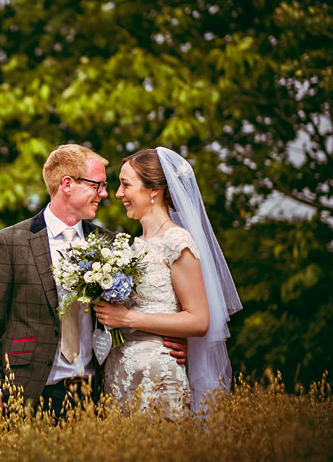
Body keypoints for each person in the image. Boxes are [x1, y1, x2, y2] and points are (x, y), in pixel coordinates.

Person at [0, 144, 188, 416]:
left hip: (95, 395)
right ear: (67, 184)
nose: (105, 194)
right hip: (29, 392)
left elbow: (133, 311)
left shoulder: (111, 244)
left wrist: (168, 344)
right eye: (97, 185)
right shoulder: (11, 242)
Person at [94, 147, 243, 414]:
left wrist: (128, 319)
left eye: (126, 185)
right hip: (119, 375)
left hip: (158, 377)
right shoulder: (132, 246)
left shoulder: (176, 241)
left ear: (154, 190)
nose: (118, 194)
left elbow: (199, 320)